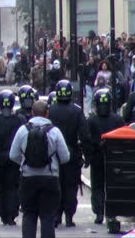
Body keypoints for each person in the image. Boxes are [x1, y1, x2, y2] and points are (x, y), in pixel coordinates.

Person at [10, 100, 70, 238]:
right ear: (47, 113)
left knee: (29, 215)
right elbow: (65, 157)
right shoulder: (55, 131)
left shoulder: (22, 130)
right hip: (50, 178)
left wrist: (25, 163)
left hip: (28, 178)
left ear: (32, 113)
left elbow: (13, 155)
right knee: (48, 217)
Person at [49, 80, 91, 227]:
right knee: (71, 186)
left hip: (53, 154)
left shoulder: (51, 110)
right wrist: (87, 155)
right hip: (72, 152)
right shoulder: (77, 110)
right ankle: (69, 215)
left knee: (56, 184)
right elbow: (85, 135)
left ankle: (56, 215)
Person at [0, 90, 26, 225]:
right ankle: (12, 214)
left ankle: (4, 213)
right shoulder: (20, 119)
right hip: (16, 158)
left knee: (1, 187)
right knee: (14, 186)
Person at [87, 89, 124, 224]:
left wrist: (88, 155)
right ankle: (111, 213)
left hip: (97, 158)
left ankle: (99, 212)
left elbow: (87, 139)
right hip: (113, 159)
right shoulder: (118, 120)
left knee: (97, 186)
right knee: (112, 186)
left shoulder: (91, 120)